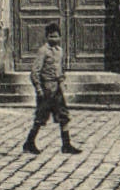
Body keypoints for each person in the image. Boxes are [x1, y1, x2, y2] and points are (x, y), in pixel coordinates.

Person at [23, 22, 81, 155]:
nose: (53, 39)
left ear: (60, 37)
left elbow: (60, 71)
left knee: (64, 116)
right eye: (51, 36)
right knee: (41, 118)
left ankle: (66, 145)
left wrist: (62, 84)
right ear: (46, 37)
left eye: (56, 36)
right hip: (46, 90)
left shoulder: (60, 51)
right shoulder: (43, 51)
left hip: (57, 90)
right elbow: (35, 72)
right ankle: (29, 143)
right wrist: (38, 89)